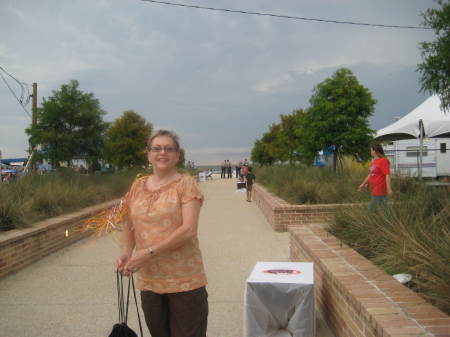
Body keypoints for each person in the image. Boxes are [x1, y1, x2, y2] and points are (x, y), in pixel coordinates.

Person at [115, 129, 208, 337]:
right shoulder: (137, 186)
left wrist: (147, 253)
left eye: (168, 148)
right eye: (156, 148)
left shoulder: (186, 184)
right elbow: (129, 223)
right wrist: (127, 253)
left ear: (177, 155)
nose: (162, 153)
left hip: (184, 280)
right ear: (148, 154)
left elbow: (189, 230)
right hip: (150, 280)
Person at [358, 144, 393, 210]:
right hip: (374, 188)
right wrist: (363, 184)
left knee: (371, 208)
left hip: (379, 188)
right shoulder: (374, 161)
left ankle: (369, 218)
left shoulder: (384, 160)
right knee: (384, 207)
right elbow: (370, 175)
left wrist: (389, 188)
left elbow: (387, 175)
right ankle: (389, 218)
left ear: (375, 151)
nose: (370, 152)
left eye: (371, 150)